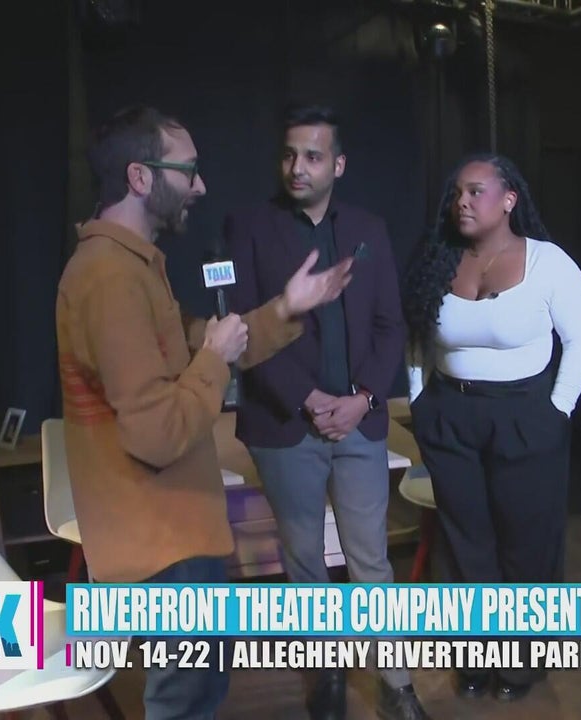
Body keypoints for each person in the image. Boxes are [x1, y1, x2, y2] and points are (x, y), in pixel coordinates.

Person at [56, 105, 353, 720]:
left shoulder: (133, 265)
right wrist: (216, 358)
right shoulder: (110, 278)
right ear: (140, 177)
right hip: (160, 539)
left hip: (174, 528)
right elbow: (158, 431)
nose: (200, 186)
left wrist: (284, 309)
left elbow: (196, 344)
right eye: (187, 171)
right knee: (186, 698)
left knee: (197, 690)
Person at [223, 104, 427, 720]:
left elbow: (390, 326)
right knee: (305, 561)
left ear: (338, 164)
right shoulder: (248, 227)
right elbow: (244, 330)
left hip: (359, 422)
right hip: (286, 426)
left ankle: (397, 686)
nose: (297, 167)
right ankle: (327, 677)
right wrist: (310, 400)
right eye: (289, 155)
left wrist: (362, 399)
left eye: (312, 156)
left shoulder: (369, 228)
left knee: (371, 560)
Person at [402, 153, 581, 702]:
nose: (461, 202)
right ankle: (474, 656)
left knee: (525, 543)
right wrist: (420, 401)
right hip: (451, 414)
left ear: (509, 199)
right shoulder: (439, 259)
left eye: (476, 191)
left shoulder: (548, 263)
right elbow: (416, 337)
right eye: (457, 193)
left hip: (524, 415)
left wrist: (557, 410)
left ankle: (519, 663)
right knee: (466, 543)